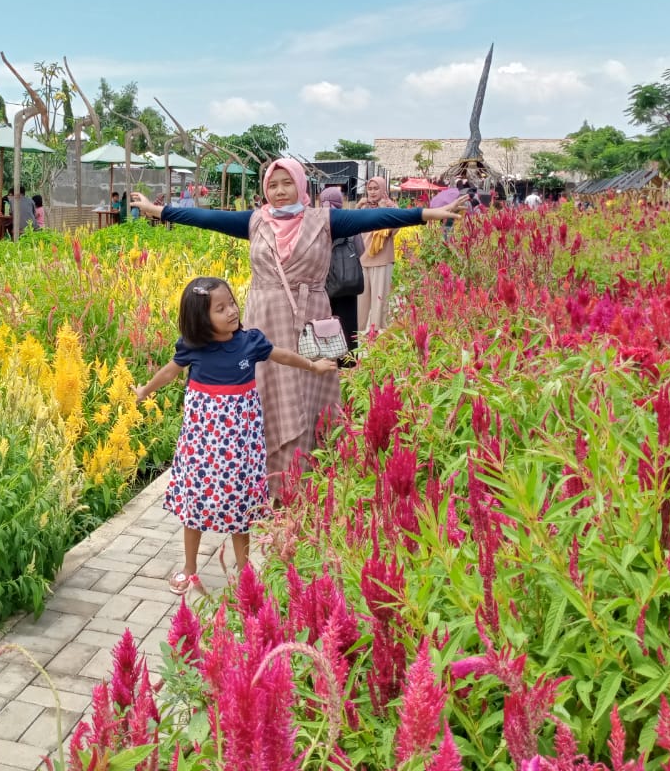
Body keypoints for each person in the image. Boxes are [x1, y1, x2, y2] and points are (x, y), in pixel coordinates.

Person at [129, 159, 466, 495]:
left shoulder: (324, 220)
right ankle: (267, 480)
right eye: (272, 185)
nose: (279, 191)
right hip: (266, 320)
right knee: (267, 394)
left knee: (311, 392)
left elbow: (377, 218)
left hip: (312, 322)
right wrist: (158, 210)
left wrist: (428, 214)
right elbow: (206, 218)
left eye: (286, 183)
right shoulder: (255, 221)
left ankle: (307, 480)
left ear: (301, 184)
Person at [135, 276, 335, 593]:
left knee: (241, 505)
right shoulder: (193, 348)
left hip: (241, 445)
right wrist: (145, 390)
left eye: (231, 303)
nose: (231, 311)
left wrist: (313, 366)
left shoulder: (249, 342)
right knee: (196, 502)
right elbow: (170, 371)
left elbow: (282, 355)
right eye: (220, 308)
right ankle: (189, 567)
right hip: (202, 445)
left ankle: (244, 573)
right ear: (201, 319)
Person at [322, 187, 363, 360]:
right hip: (347, 283)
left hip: (324, 283)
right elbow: (361, 250)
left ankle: (330, 359)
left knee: (327, 321)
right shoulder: (349, 221)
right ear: (340, 201)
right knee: (348, 322)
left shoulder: (316, 221)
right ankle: (349, 362)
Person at [357, 176, 398, 336]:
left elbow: (393, 231)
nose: (372, 192)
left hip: (382, 260)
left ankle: (377, 335)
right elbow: (353, 229)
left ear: (383, 189)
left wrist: (383, 211)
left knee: (380, 301)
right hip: (363, 259)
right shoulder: (363, 207)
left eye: (376, 188)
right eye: (370, 189)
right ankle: (358, 333)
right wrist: (357, 208)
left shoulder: (391, 208)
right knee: (360, 301)